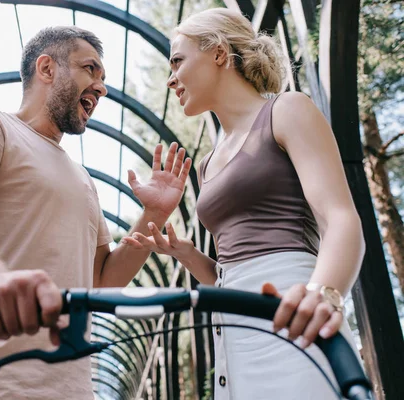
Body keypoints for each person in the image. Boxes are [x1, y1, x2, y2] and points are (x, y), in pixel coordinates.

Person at [0, 26, 192, 399]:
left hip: (72, 390)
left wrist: (153, 214)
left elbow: (99, 283)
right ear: (46, 68)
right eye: (89, 70)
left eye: (104, 79)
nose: (101, 87)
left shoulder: (82, 178)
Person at [121, 8, 365, 399]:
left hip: (296, 313)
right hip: (232, 331)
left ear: (219, 53)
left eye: (178, 61)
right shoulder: (206, 164)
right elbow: (231, 273)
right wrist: (186, 254)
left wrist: (325, 293)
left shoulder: (287, 110)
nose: (170, 79)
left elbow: (340, 219)